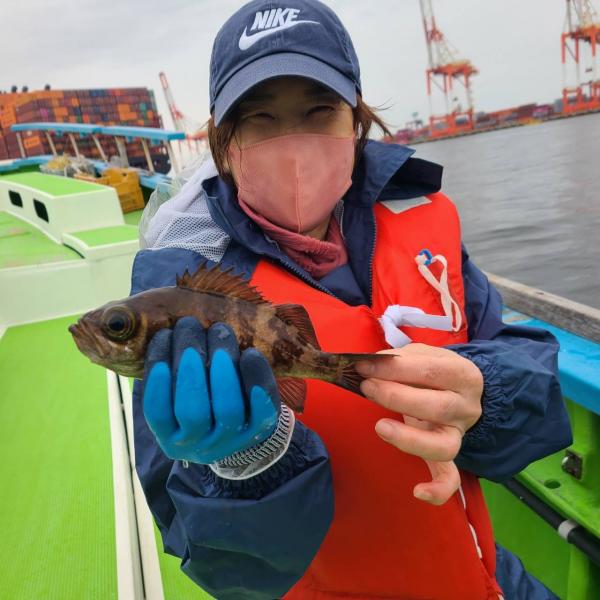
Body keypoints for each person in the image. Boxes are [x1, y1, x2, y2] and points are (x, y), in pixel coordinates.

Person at [132, 1, 572, 598]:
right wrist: (241, 465)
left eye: (319, 110)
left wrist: (484, 395)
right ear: (224, 141)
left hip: (480, 573)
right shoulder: (178, 291)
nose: (293, 142)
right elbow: (220, 566)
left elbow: (531, 379)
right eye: (260, 118)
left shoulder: (422, 221)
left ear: (356, 121)